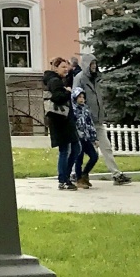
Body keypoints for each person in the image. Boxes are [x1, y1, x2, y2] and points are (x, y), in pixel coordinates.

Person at [72, 53, 133, 185]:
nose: (94, 66)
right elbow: (75, 97)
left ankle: (116, 174)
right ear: (86, 65)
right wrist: (81, 114)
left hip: (98, 119)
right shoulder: (80, 78)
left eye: (95, 64)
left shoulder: (97, 78)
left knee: (106, 147)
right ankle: (74, 174)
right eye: (91, 64)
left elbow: (98, 97)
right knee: (80, 150)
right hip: (85, 120)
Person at [42, 56, 79, 191]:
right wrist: (67, 92)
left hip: (65, 120)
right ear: (56, 68)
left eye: (67, 66)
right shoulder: (54, 81)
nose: (66, 69)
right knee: (65, 150)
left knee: (75, 148)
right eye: (63, 67)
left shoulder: (58, 80)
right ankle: (63, 179)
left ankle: (66, 177)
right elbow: (57, 97)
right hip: (60, 121)